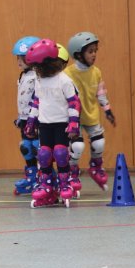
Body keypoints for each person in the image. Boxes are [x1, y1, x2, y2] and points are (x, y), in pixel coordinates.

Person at [24, 39, 81, 208]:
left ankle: (65, 184)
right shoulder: (39, 80)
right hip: (44, 124)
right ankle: (47, 185)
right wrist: (31, 120)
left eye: (37, 67)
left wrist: (73, 123)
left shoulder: (64, 80)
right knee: (43, 155)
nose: (36, 70)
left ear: (47, 64)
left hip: (61, 124)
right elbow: (37, 101)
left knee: (61, 153)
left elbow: (74, 102)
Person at [64, 31, 116, 193]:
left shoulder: (96, 72)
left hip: (91, 114)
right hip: (74, 118)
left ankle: (95, 167)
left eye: (95, 51)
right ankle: (71, 173)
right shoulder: (67, 74)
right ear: (78, 54)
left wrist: (107, 110)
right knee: (77, 146)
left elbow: (100, 92)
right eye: (90, 51)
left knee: (99, 143)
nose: (94, 54)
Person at [12, 36, 41, 196]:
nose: (18, 61)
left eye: (22, 58)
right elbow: (22, 99)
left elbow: (39, 98)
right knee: (25, 147)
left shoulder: (38, 76)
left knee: (37, 147)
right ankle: (31, 176)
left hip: (36, 118)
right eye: (18, 57)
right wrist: (20, 117)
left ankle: (45, 177)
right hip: (24, 119)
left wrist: (33, 117)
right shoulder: (23, 75)